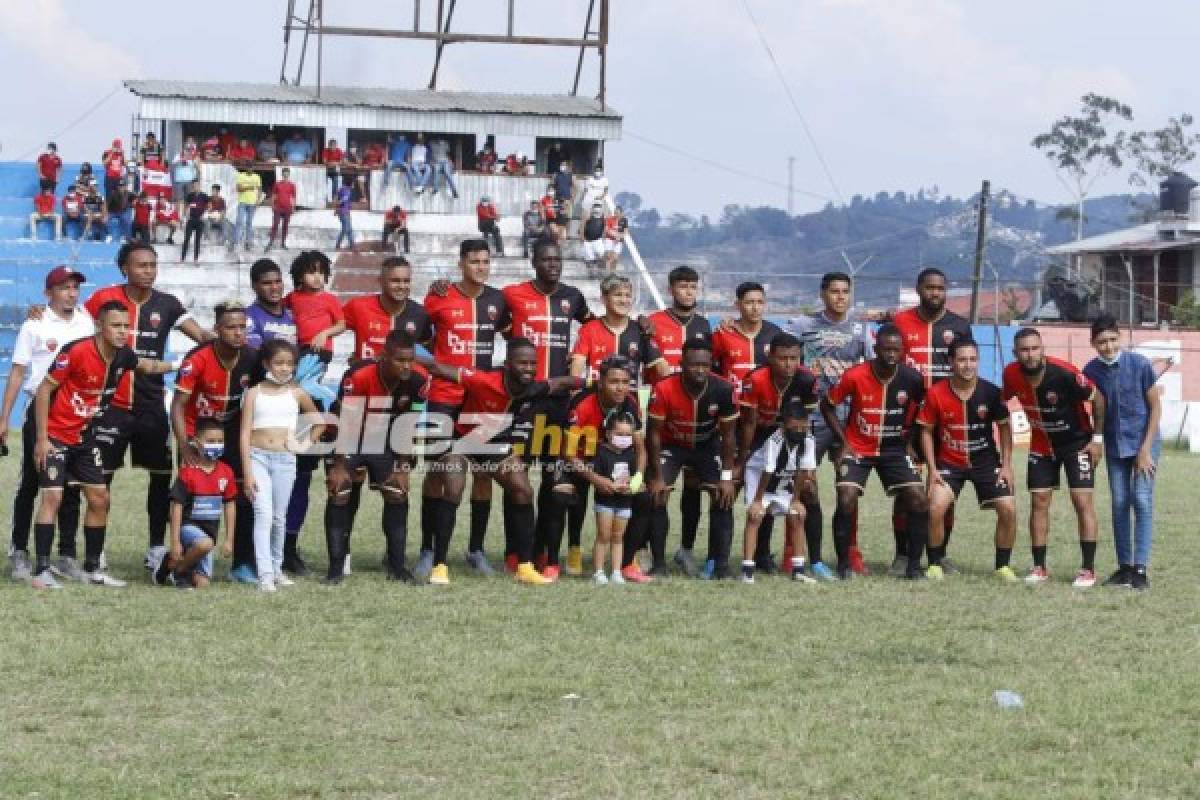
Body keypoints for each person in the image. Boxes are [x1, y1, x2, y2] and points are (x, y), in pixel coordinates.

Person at [30, 301, 176, 589]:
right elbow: (44, 389)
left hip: (86, 440)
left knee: (100, 499)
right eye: (116, 326)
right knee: (53, 499)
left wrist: (181, 364)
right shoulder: (76, 351)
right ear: (99, 325)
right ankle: (42, 570)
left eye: (126, 326)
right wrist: (42, 438)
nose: (123, 332)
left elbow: (146, 365)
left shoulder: (123, 356)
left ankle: (93, 568)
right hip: (57, 437)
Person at [85, 243, 213, 565]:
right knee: (102, 479)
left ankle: (156, 547)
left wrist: (231, 340)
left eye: (153, 265)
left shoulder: (167, 304)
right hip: (109, 404)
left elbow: (202, 338)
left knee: (159, 478)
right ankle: (96, 552)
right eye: (141, 265)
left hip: (151, 405)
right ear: (124, 268)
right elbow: (75, 326)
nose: (148, 271)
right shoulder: (103, 298)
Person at [420, 338, 582, 585]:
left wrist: (593, 382)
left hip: (493, 444)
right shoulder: (484, 380)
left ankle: (525, 567)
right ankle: (439, 566)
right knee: (454, 488)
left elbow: (561, 382)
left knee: (523, 490)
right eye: (522, 363)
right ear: (507, 365)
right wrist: (400, 356)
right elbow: (437, 368)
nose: (528, 368)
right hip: (462, 439)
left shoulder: (532, 387)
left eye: (532, 364)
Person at [417, 240, 512, 579]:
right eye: (474, 262)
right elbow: (419, 340)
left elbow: (513, 336)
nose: (481, 267)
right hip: (444, 396)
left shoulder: (497, 301)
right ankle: (428, 549)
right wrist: (429, 368)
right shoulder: (439, 297)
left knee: (483, 473)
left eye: (486, 261)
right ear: (460, 264)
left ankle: (476, 549)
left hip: (482, 400)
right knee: (440, 473)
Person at [499, 238, 591, 577]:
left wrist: (640, 327)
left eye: (557, 259)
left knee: (555, 480)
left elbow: (595, 326)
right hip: (523, 401)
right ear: (534, 262)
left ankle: (545, 555)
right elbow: (487, 315)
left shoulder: (573, 297)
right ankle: (515, 551)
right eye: (546, 259)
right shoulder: (512, 294)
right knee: (516, 478)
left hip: (559, 402)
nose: (553, 264)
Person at [3, 267, 94, 581]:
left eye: (74, 287)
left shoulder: (86, 322)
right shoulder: (35, 323)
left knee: (71, 486)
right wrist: (4, 419)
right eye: (63, 288)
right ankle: (19, 551)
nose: (71, 293)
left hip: (76, 412)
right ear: (48, 293)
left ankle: (67, 554)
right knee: (31, 481)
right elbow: (18, 373)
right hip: (42, 409)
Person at [820, 325, 928, 580]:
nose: (891, 355)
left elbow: (922, 412)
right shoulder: (855, 375)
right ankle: (844, 565)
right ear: (875, 349)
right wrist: (843, 442)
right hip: (858, 447)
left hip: (894, 450)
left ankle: (913, 567)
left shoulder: (912, 379)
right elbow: (827, 406)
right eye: (886, 349)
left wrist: (911, 443)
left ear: (903, 352)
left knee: (918, 499)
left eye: (896, 350)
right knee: (846, 497)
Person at [787, 271, 875, 576]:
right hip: (812, 417)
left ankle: (850, 553)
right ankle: (794, 551)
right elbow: (779, 355)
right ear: (823, 294)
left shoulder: (861, 330)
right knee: (803, 485)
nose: (840, 297)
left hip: (849, 419)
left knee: (847, 487)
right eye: (834, 291)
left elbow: (873, 370)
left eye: (845, 291)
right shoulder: (803, 326)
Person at [1002, 327, 1103, 588]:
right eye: (1024, 350)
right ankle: (1039, 567)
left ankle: (1088, 569)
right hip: (1040, 447)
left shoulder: (1065, 372)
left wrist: (1097, 440)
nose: (1030, 354)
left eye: (1035, 348)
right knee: (1039, 501)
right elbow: (1000, 405)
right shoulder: (1011, 374)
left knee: (1082, 501)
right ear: (1016, 353)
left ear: (1042, 349)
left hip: (1076, 445)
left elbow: (1099, 399)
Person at [322, 331, 426, 584]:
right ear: (384, 356)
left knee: (397, 491)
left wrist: (402, 466)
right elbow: (347, 421)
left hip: (387, 439)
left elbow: (408, 422)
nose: (406, 366)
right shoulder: (359, 376)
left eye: (410, 360)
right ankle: (335, 567)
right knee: (341, 490)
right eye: (400, 360)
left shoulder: (418, 379)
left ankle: (397, 566)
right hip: (350, 434)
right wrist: (339, 466)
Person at [169, 301, 259, 584]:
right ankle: (183, 562)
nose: (237, 333)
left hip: (232, 435)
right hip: (198, 435)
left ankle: (243, 563)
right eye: (231, 327)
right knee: (192, 498)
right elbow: (178, 406)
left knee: (242, 496)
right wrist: (185, 445)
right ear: (217, 329)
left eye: (242, 327)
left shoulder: (252, 358)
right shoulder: (196, 359)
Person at [891, 267, 973, 575]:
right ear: (918, 289)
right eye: (929, 287)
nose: (934, 293)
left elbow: (966, 371)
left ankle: (939, 554)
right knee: (907, 490)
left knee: (944, 492)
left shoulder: (959, 325)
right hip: (907, 420)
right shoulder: (899, 322)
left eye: (940, 287)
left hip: (946, 422)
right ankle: (903, 554)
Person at [917, 338, 1018, 582]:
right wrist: (932, 469)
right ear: (951, 362)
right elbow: (926, 431)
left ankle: (1002, 566)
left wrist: (1006, 465)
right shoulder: (935, 393)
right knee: (935, 508)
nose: (968, 365)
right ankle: (934, 563)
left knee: (1009, 508)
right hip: (949, 464)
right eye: (962, 360)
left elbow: (1005, 427)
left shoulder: (992, 392)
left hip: (986, 463)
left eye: (973, 359)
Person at [646, 339, 739, 578]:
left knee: (723, 496)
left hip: (706, 445)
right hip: (672, 445)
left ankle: (721, 566)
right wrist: (656, 477)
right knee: (657, 495)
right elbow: (653, 434)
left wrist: (727, 478)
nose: (700, 370)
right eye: (694, 364)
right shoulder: (664, 388)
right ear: (681, 363)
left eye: (705, 365)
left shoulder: (724, 389)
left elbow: (729, 438)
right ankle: (658, 564)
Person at [643, 266, 714, 577]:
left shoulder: (704, 325)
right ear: (671, 289)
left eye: (692, 286)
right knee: (655, 485)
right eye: (683, 286)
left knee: (694, 485)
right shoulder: (652, 322)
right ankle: (645, 548)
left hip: (695, 416)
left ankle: (685, 549)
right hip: (660, 411)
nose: (688, 291)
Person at [736, 333, 822, 580]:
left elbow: (806, 421)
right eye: (782, 358)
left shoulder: (807, 379)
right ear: (770, 357)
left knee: (807, 497)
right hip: (760, 438)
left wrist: (810, 472)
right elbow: (749, 423)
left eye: (793, 358)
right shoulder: (756, 379)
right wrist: (741, 461)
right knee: (753, 504)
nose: (788, 364)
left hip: (793, 436)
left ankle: (809, 563)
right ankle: (738, 562)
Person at [1083, 313, 1160, 590]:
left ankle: (1140, 568)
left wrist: (1146, 449)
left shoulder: (1139, 364)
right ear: (1093, 343)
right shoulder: (1090, 371)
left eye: (1113, 339)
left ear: (1121, 338)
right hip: (1115, 446)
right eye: (1102, 341)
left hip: (1144, 443)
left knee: (1141, 500)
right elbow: (1094, 412)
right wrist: (1097, 440)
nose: (1108, 346)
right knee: (1119, 503)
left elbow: (1156, 408)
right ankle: (1124, 567)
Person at [281, 251, 346, 569]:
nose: (317, 277)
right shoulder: (290, 300)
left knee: (307, 391)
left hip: (316, 355)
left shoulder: (330, 299)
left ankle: (289, 547)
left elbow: (342, 324)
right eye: (311, 272)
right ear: (299, 275)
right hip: (296, 355)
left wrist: (325, 333)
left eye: (321, 272)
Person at [241, 339, 323, 591]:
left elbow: (319, 422)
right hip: (258, 457)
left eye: (290, 364)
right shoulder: (254, 393)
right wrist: (247, 473)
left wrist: (302, 446)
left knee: (279, 518)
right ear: (267, 364)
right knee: (263, 514)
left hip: (285, 460)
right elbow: (244, 434)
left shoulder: (297, 393)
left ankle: (277, 569)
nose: (285, 368)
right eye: (279, 363)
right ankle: (265, 575)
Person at [562, 356, 653, 582]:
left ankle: (627, 561)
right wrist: (595, 479)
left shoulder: (631, 404)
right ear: (601, 381)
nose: (620, 387)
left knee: (643, 497)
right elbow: (568, 453)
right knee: (567, 493)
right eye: (614, 381)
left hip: (617, 462)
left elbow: (641, 450)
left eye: (625, 381)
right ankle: (573, 549)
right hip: (583, 459)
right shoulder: (582, 403)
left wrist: (637, 477)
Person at [741, 395, 818, 584]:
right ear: (783, 426)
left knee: (798, 514)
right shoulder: (774, 441)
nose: (799, 431)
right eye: (794, 428)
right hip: (760, 479)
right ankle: (747, 571)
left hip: (783, 479)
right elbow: (767, 471)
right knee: (755, 516)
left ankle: (798, 570)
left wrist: (796, 500)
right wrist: (758, 501)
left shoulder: (808, 440)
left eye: (803, 427)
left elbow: (803, 471)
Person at [158, 418, 237, 589]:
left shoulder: (226, 472)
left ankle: (172, 565)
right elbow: (176, 507)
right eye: (210, 441)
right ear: (197, 443)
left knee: (203, 584)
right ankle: (180, 572)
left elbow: (230, 504)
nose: (216, 445)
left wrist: (229, 539)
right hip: (188, 528)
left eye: (220, 441)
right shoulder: (187, 473)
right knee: (205, 543)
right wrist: (175, 542)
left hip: (210, 534)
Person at [580, 410, 643, 585]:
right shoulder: (600, 453)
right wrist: (609, 484)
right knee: (603, 536)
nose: (624, 438)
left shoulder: (631, 454)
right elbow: (596, 477)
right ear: (608, 434)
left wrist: (632, 484)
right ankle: (598, 572)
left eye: (628, 435)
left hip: (624, 503)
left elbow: (634, 477)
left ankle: (616, 572)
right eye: (619, 434)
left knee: (618, 537)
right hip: (605, 503)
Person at [343, 257, 433, 367]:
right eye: (395, 281)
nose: (401, 286)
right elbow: (327, 323)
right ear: (381, 281)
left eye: (406, 281)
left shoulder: (420, 314)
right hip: (365, 380)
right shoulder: (358, 307)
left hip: (401, 382)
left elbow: (431, 348)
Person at [245, 259, 298, 349]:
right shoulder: (247, 317)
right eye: (267, 283)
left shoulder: (294, 313)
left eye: (278, 281)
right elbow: (253, 355)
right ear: (254, 286)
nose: (274, 287)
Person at [266, 167, 298, 251]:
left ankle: (283, 243)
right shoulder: (277, 184)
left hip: (287, 207)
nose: (286, 174)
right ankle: (270, 242)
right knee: (275, 224)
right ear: (282, 174)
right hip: (278, 207)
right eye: (284, 173)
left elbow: (293, 197)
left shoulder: (292, 185)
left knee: (285, 226)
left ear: (289, 174)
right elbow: (273, 195)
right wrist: (272, 205)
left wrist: (293, 207)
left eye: (287, 173)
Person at [232, 163, 262, 251]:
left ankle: (248, 242)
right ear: (246, 167)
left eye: (251, 167)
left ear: (253, 167)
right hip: (242, 201)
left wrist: (258, 201)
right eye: (248, 167)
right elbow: (239, 189)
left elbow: (259, 189)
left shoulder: (257, 176)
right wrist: (249, 187)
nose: (250, 168)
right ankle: (236, 242)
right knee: (239, 221)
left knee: (249, 223)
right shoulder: (241, 175)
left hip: (252, 202)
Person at [181, 181, 209, 262]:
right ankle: (182, 259)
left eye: (197, 185)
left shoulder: (204, 196)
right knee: (186, 239)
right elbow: (186, 206)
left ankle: (196, 259)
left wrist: (204, 215)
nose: (195, 187)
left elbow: (209, 206)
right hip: (191, 219)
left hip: (200, 221)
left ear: (200, 186)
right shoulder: (190, 195)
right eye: (194, 186)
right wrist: (185, 215)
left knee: (197, 240)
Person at [170, 149, 199, 216]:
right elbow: (172, 167)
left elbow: (195, 171)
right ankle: (176, 215)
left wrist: (195, 181)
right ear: (182, 154)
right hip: (179, 182)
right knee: (179, 199)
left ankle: (185, 215)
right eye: (185, 154)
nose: (186, 155)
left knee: (187, 200)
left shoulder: (191, 161)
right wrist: (180, 161)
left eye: (187, 154)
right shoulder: (177, 159)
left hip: (189, 182)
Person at [581, 204, 607, 272]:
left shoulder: (603, 217)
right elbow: (582, 225)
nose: (597, 209)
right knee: (589, 259)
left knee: (602, 256)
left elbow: (605, 228)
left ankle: (602, 271)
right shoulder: (588, 216)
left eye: (598, 207)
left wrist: (603, 238)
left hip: (598, 240)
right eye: (595, 207)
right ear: (592, 208)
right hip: (587, 241)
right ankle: (590, 272)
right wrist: (582, 236)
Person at [334, 176, 355, 250]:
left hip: (344, 211)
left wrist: (336, 208)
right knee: (346, 229)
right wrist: (338, 204)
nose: (353, 185)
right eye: (353, 183)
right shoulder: (347, 190)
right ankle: (339, 244)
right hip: (343, 212)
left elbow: (337, 197)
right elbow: (344, 199)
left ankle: (351, 244)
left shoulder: (342, 189)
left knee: (348, 229)